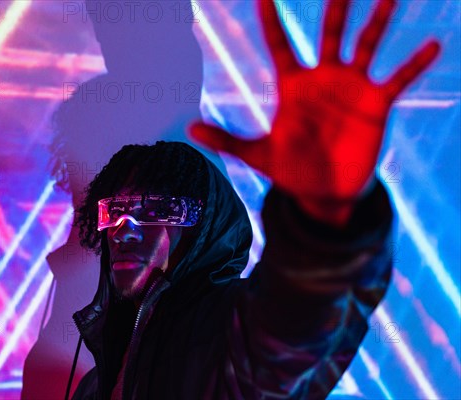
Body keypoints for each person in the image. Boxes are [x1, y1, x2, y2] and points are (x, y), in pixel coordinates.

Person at [24, 0, 440, 398]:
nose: (125, 227)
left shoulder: (222, 342)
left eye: (155, 211)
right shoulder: (93, 372)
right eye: (114, 210)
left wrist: (325, 213)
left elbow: (294, 325)